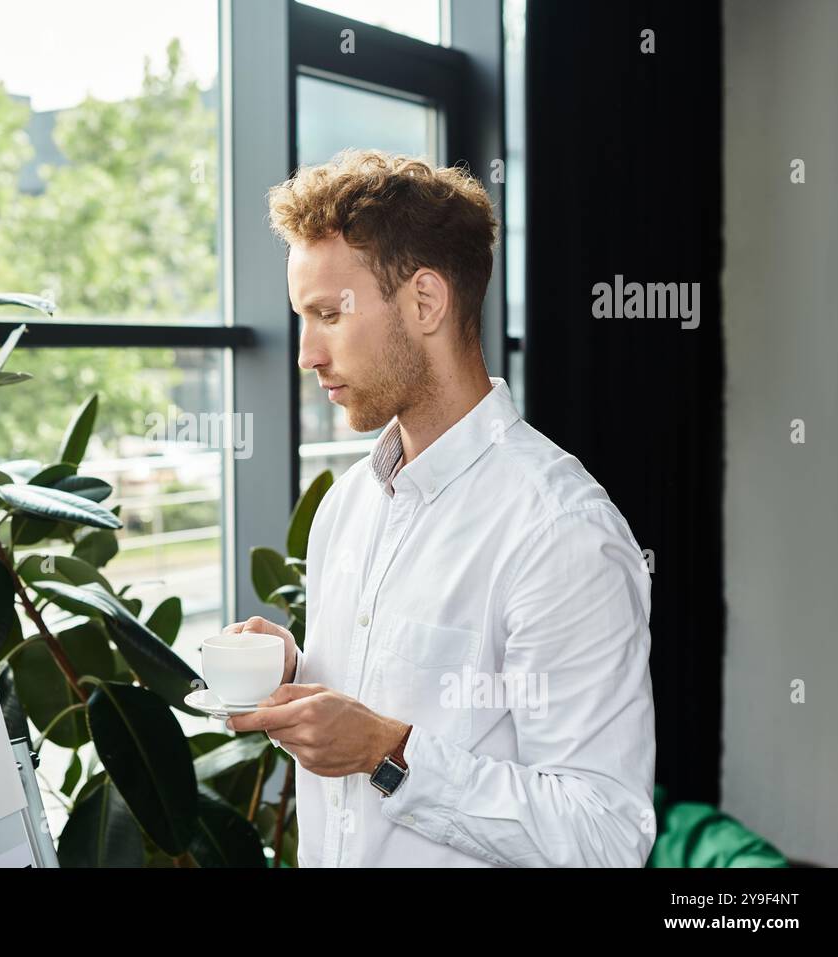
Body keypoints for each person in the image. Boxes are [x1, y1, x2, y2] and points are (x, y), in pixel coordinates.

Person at [223, 149, 656, 867]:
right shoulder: (348, 506)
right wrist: (294, 669)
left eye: (329, 314)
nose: (305, 354)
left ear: (425, 301)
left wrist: (388, 753)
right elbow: (379, 701)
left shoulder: (560, 532)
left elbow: (605, 833)